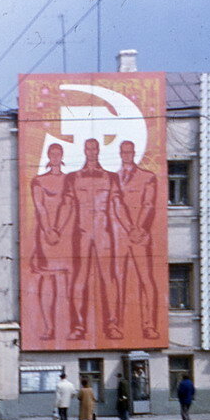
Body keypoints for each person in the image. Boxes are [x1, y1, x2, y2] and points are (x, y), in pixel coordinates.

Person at [56, 138, 130, 341]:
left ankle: (112, 325)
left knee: (109, 279)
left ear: (98, 150)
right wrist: (56, 229)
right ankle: (78, 326)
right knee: (79, 279)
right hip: (81, 234)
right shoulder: (73, 178)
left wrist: (131, 228)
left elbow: (118, 205)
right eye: (88, 148)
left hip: (104, 233)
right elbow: (66, 206)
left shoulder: (110, 177)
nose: (91, 151)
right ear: (84, 150)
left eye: (94, 148)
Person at [114, 140, 160, 339]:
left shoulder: (147, 177)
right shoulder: (113, 178)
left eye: (129, 152)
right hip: (120, 236)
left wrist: (138, 228)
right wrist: (128, 228)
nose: (126, 155)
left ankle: (149, 326)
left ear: (134, 153)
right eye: (123, 152)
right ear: (119, 153)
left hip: (140, 236)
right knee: (117, 280)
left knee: (146, 280)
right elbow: (115, 203)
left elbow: (149, 203)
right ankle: (116, 325)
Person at [29, 142, 69, 340]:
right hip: (45, 235)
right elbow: (40, 206)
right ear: (48, 155)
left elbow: (69, 205)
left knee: (67, 281)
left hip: (65, 234)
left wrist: (58, 230)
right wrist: (48, 230)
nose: (55, 156)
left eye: (58, 153)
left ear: (61, 156)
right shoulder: (39, 180)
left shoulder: (69, 180)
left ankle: (67, 326)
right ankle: (48, 327)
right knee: (47, 280)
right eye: (52, 153)